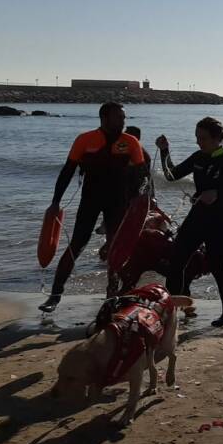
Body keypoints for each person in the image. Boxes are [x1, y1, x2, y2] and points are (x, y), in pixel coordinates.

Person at [39, 103, 147, 312]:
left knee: (116, 250)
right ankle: (55, 295)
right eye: (119, 117)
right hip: (90, 200)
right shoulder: (85, 140)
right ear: (104, 118)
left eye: (124, 117)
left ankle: (112, 295)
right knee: (77, 245)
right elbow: (67, 171)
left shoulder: (130, 142)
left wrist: (137, 201)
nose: (124, 121)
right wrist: (55, 202)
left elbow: (142, 175)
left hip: (118, 203)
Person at [156, 117, 223, 327]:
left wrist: (217, 193)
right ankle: (175, 309)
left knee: (218, 267)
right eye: (197, 137)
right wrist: (164, 151)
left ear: (217, 139)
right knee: (176, 262)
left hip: (220, 223)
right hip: (197, 218)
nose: (198, 142)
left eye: (202, 138)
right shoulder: (198, 157)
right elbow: (170, 175)